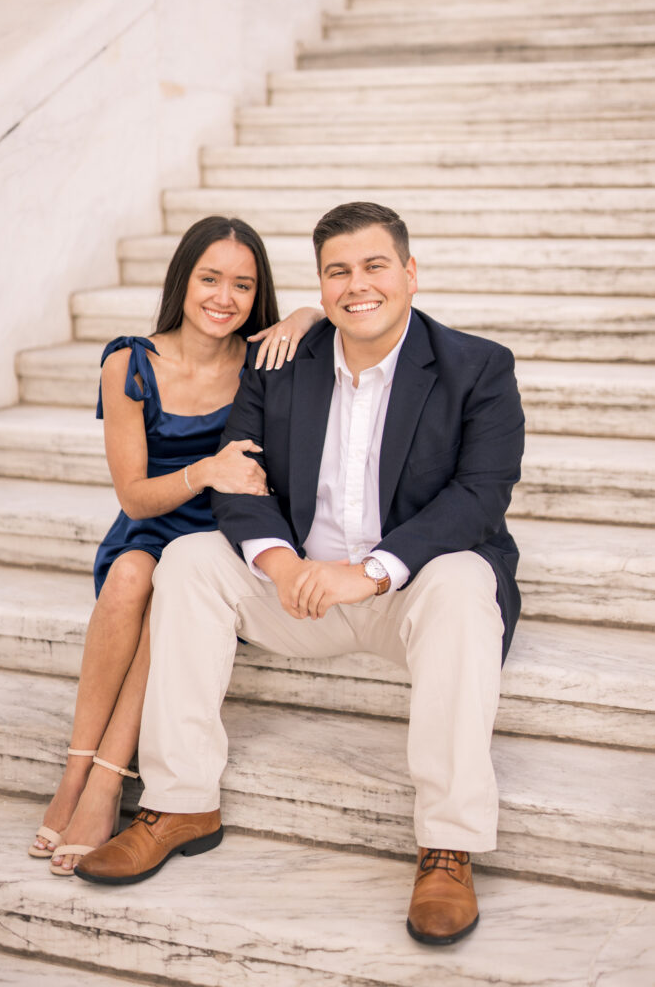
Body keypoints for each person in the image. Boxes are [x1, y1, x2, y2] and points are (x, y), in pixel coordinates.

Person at [75, 202, 525, 946]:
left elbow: (479, 496)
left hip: (407, 593)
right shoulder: (279, 363)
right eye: (337, 271)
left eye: (374, 265)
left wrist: (370, 572)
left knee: (465, 580)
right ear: (319, 284)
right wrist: (281, 564)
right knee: (188, 561)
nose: (357, 285)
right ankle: (181, 802)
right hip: (298, 590)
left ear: (410, 273)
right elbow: (236, 483)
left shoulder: (477, 366)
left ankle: (448, 846)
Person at [29, 215, 322, 875]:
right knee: (132, 576)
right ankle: (75, 776)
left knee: (175, 588)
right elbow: (133, 497)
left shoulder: (263, 359)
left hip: (218, 538)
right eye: (210, 278)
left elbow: (354, 317)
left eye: (243, 285)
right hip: (150, 523)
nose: (225, 297)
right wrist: (206, 469)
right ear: (182, 280)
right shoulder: (129, 362)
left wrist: (305, 314)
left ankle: (105, 784)